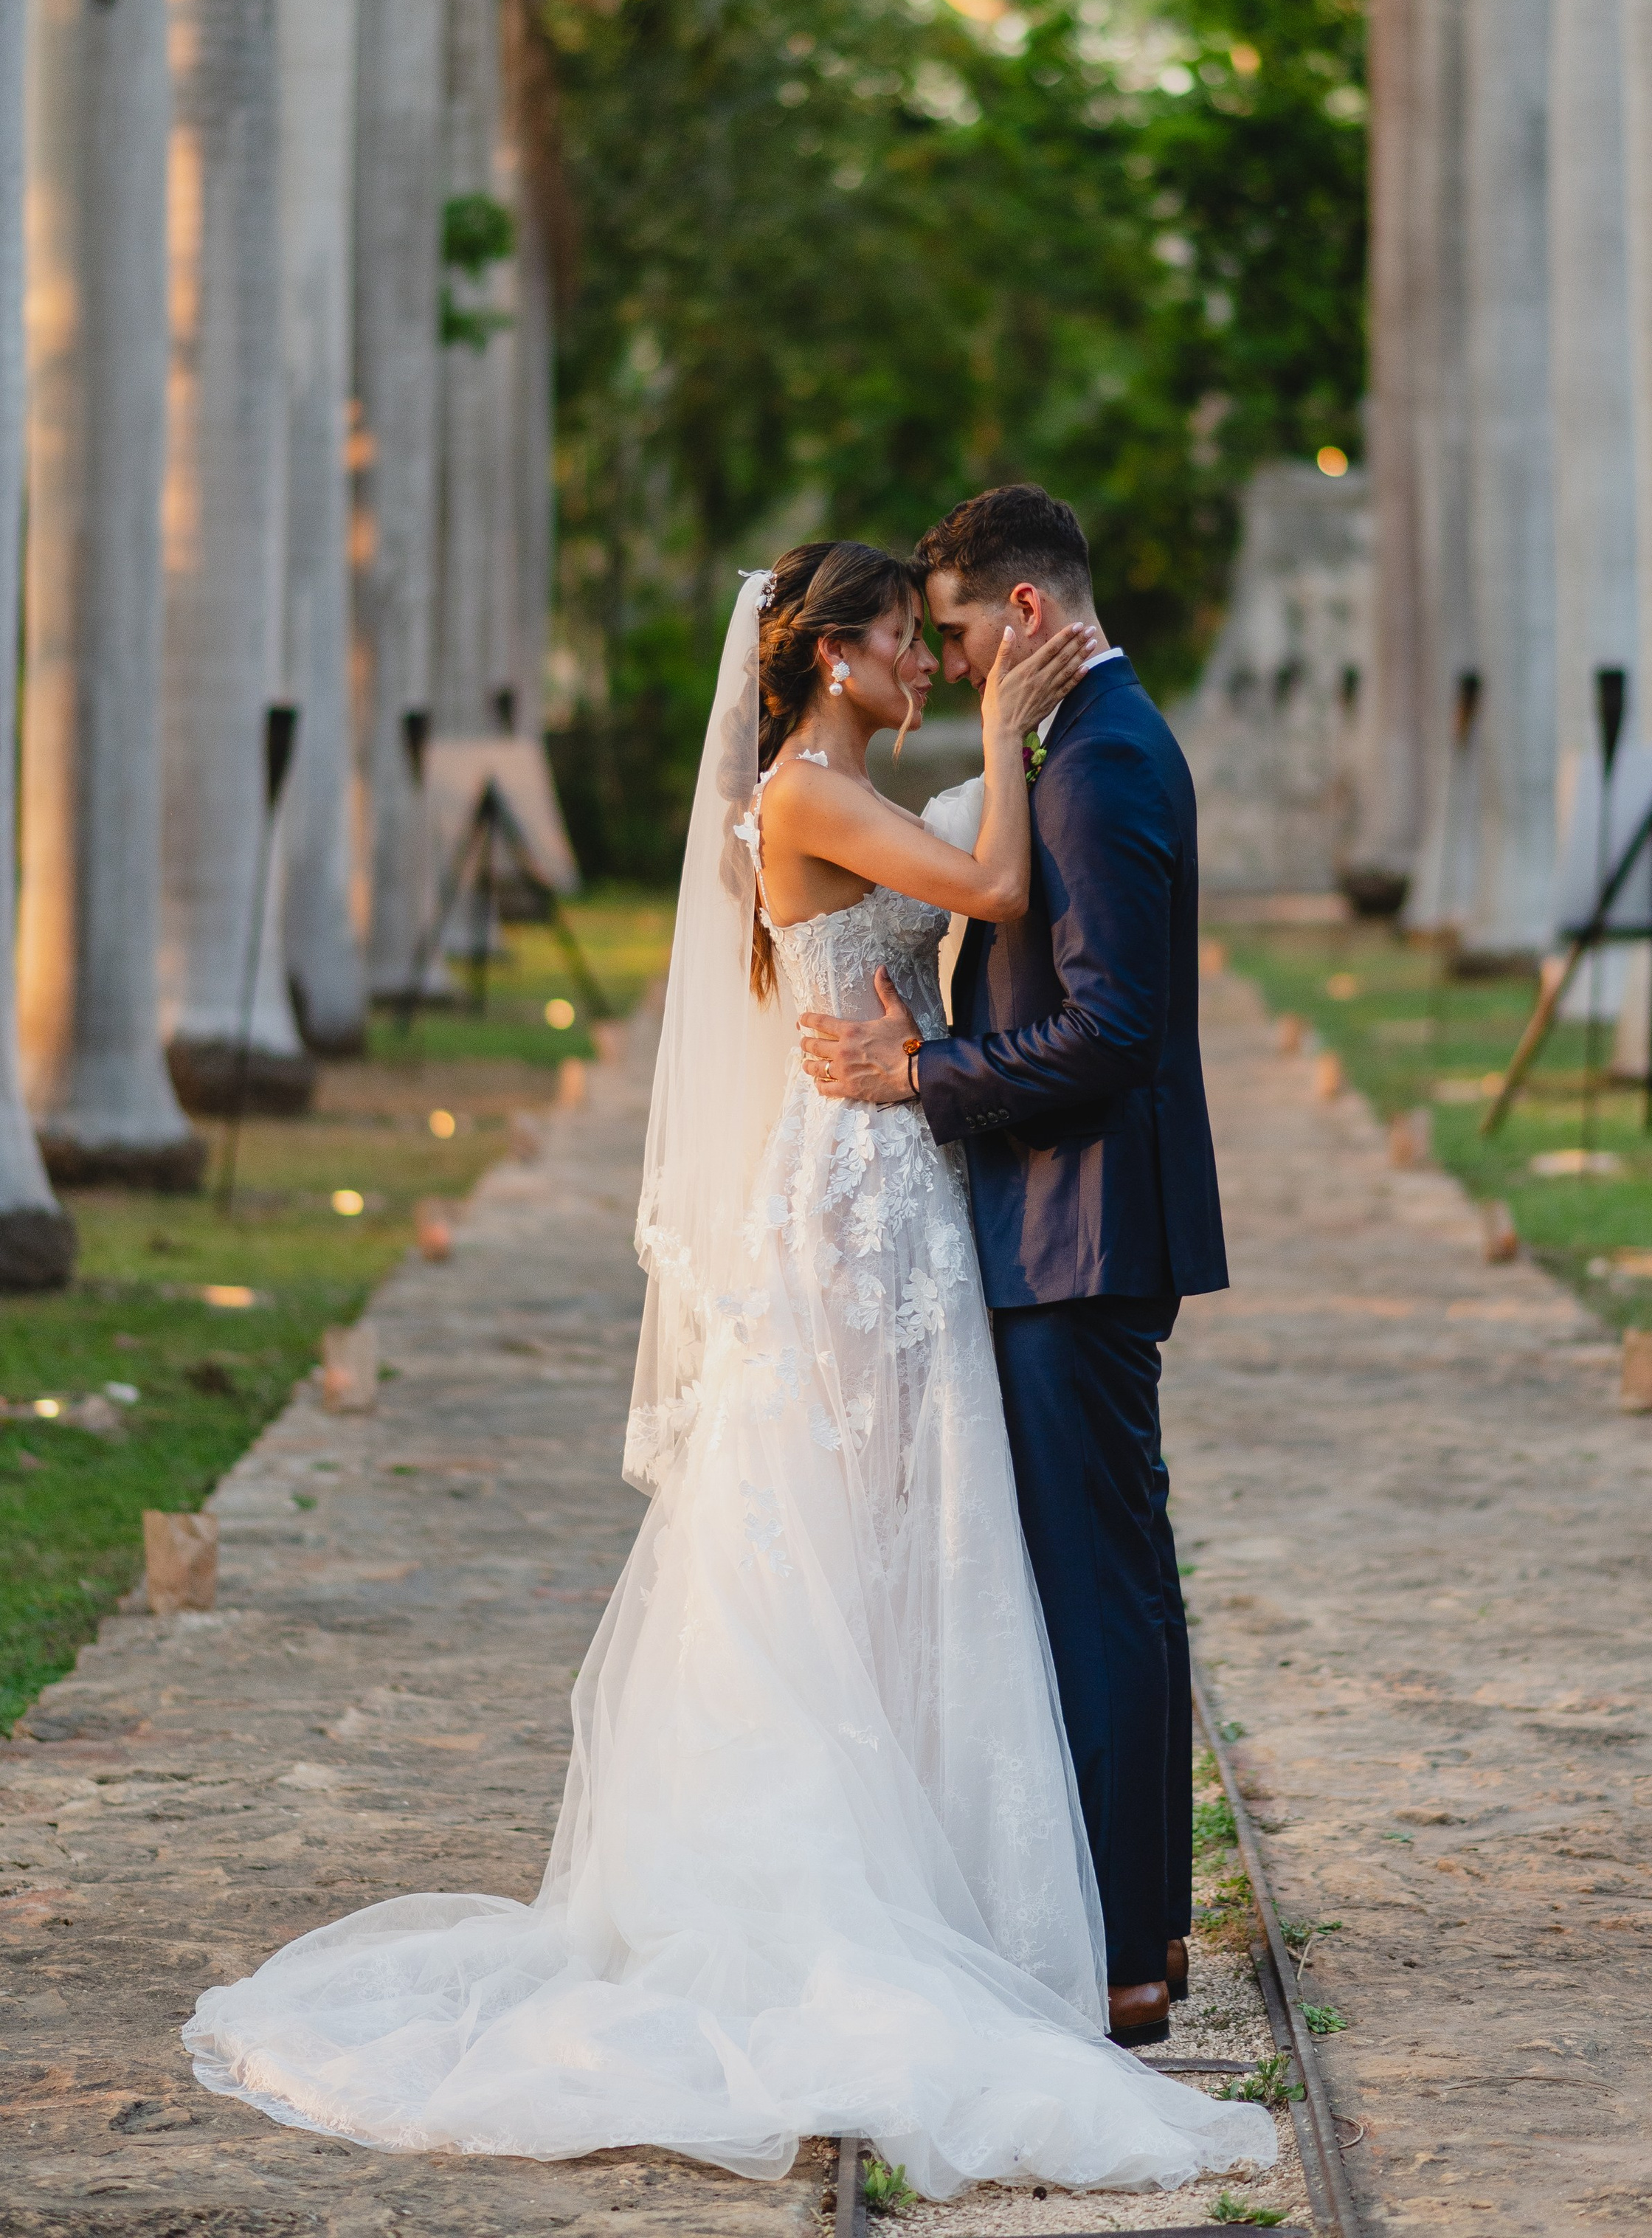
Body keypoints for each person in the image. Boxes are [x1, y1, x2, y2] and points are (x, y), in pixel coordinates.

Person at [183, 541, 1273, 2205]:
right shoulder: (811, 797)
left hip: (908, 1179)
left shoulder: (848, 783)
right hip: (858, 1201)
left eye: (947, 640)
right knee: (841, 1534)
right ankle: (871, 1888)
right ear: (830, 656)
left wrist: (983, 817)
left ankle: (956, 1884)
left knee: (904, 1545)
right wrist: (1002, 746)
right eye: (909, 643)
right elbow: (989, 893)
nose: (933, 668)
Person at [799, 486, 1223, 2048]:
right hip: (1065, 1219)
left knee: (1100, 1587)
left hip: (1079, 1226)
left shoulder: (1102, 758)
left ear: (1025, 617)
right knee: (1115, 1578)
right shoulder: (1076, 739)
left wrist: (924, 1076)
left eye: (964, 632)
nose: (957, 662)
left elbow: (1111, 1028)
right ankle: (1144, 1928)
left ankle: (1117, 1953)